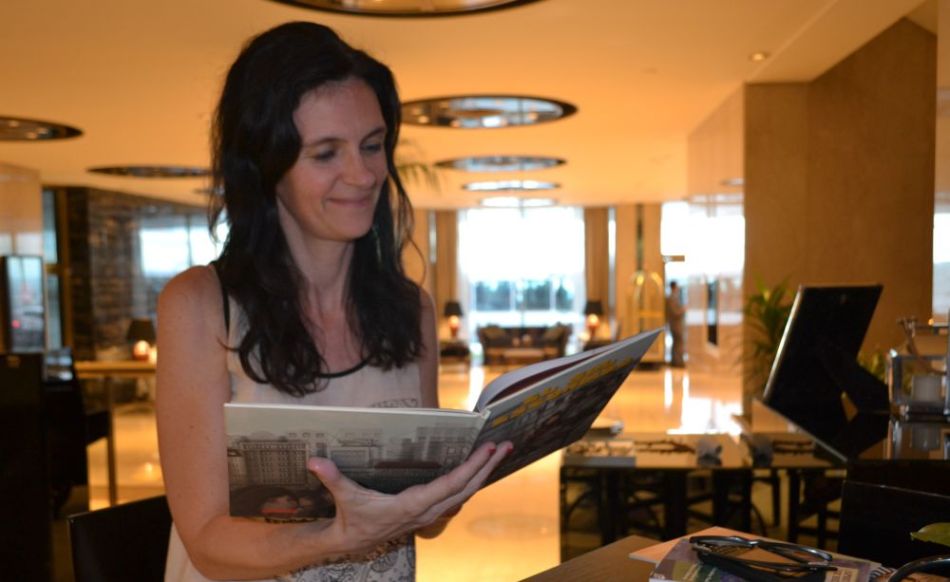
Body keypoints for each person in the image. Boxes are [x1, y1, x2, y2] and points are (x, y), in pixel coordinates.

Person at [155, 21, 512, 581]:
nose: (364, 174)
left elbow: (427, 523)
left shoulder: (410, 309)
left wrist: (452, 484)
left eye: (372, 145)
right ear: (267, 167)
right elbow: (206, 542)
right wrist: (336, 536)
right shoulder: (201, 305)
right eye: (326, 154)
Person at [665, 281, 686, 367]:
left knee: (676, 343)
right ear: (674, 287)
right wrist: (683, 309)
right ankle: (678, 362)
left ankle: (675, 361)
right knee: (678, 343)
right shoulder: (672, 298)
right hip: (675, 324)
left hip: (674, 324)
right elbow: (675, 312)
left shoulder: (672, 297)